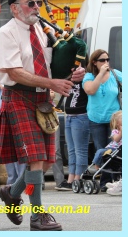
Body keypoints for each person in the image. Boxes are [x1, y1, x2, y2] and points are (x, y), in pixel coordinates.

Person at [0, 0, 85, 231]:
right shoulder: (6, 33)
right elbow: (15, 72)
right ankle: (38, 215)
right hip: (19, 97)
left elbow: (53, 65)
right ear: (15, 9)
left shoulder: (41, 30)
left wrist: (75, 71)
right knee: (36, 158)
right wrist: (51, 82)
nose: (37, 7)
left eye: (38, 3)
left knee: (47, 161)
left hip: (43, 99)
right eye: (31, 3)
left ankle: (12, 191)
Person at [82, 49, 122, 190]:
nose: (106, 63)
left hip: (115, 120)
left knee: (115, 151)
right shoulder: (88, 76)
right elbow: (90, 90)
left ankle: (116, 180)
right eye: (102, 60)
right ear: (94, 62)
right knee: (102, 150)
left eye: (107, 60)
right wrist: (100, 74)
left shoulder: (116, 74)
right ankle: (104, 183)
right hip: (96, 119)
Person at [56, 58, 90, 191]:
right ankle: (71, 178)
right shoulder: (70, 77)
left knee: (79, 149)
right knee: (71, 150)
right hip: (69, 116)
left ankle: (78, 178)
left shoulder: (86, 77)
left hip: (81, 116)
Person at [0, 81, 26, 185]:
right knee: (8, 155)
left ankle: (20, 182)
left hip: (14, 119)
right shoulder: (0, 81)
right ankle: (11, 183)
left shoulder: (13, 78)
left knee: (18, 153)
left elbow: (17, 93)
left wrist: (1, 87)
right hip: (1, 120)